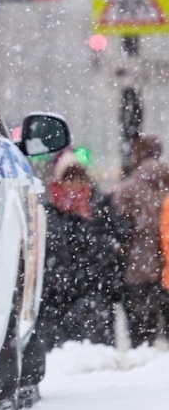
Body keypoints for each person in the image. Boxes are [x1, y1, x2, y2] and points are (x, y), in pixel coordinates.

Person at [38, 152, 125, 346]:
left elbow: (111, 250)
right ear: (58, 181)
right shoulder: (45, 213)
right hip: (55, 302)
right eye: (68, 178)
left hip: (93, 299)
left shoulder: (100, 208)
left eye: (78, 177)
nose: (74, 184)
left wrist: (112, 286)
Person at [110, 135, 169, 347]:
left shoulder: (127, 189)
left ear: (137, 155)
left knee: (142, 332)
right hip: (166, 270)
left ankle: (143, 357)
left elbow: (117, 227)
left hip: (138, 268)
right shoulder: (166, 184)